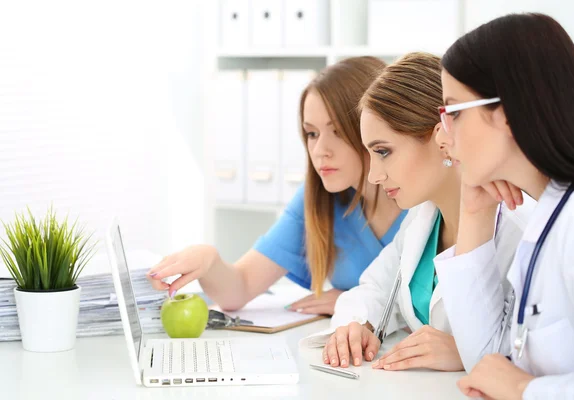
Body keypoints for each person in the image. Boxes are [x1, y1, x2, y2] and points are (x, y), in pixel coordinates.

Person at [147, 57, 407, 315]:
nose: (319, 151)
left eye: (337, 131)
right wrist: (208, 261)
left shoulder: (421, 200)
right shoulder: (318, 197)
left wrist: (356, 301)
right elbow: (240, 287)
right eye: (312, 133)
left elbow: (438, 311)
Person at [320, 52, 526, 371]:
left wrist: (467, 356)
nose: (374, 175)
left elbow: (541, 352)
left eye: (383, 151)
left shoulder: (520, 227)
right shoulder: (423, 218)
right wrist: (355, 325)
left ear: (441, 138)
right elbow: (373, 287)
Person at [433, 13, 574, 399]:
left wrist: (525, 389)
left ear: (507, 111)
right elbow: (488, 363)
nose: (443, 134)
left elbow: (509, 381)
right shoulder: (553, 214)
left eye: (453, 112)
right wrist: (474, 210)